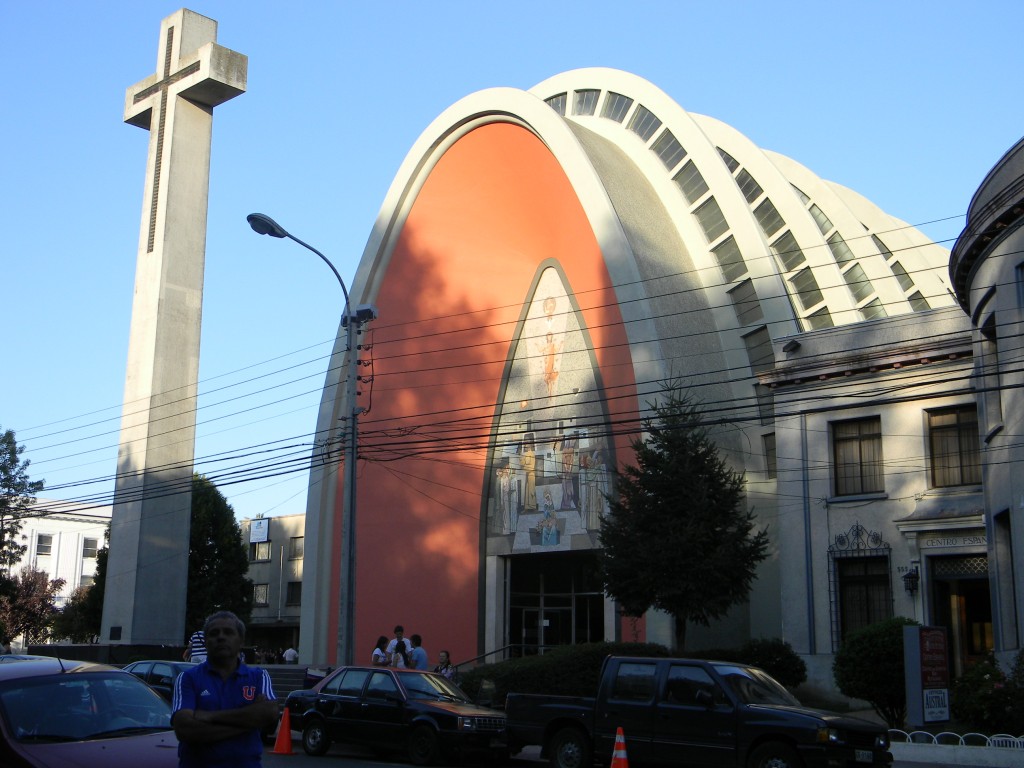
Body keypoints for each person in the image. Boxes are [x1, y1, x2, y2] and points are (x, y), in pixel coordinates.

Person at [171, 610, 279, 768]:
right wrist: (251, 721)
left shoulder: (258, 676)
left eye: (228, 632)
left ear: (241, 641)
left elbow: (270, 714)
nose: (221, 637)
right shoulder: (188, 678)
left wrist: (208, 716)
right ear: (206, 641)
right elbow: (184, 729)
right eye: (214, 633)